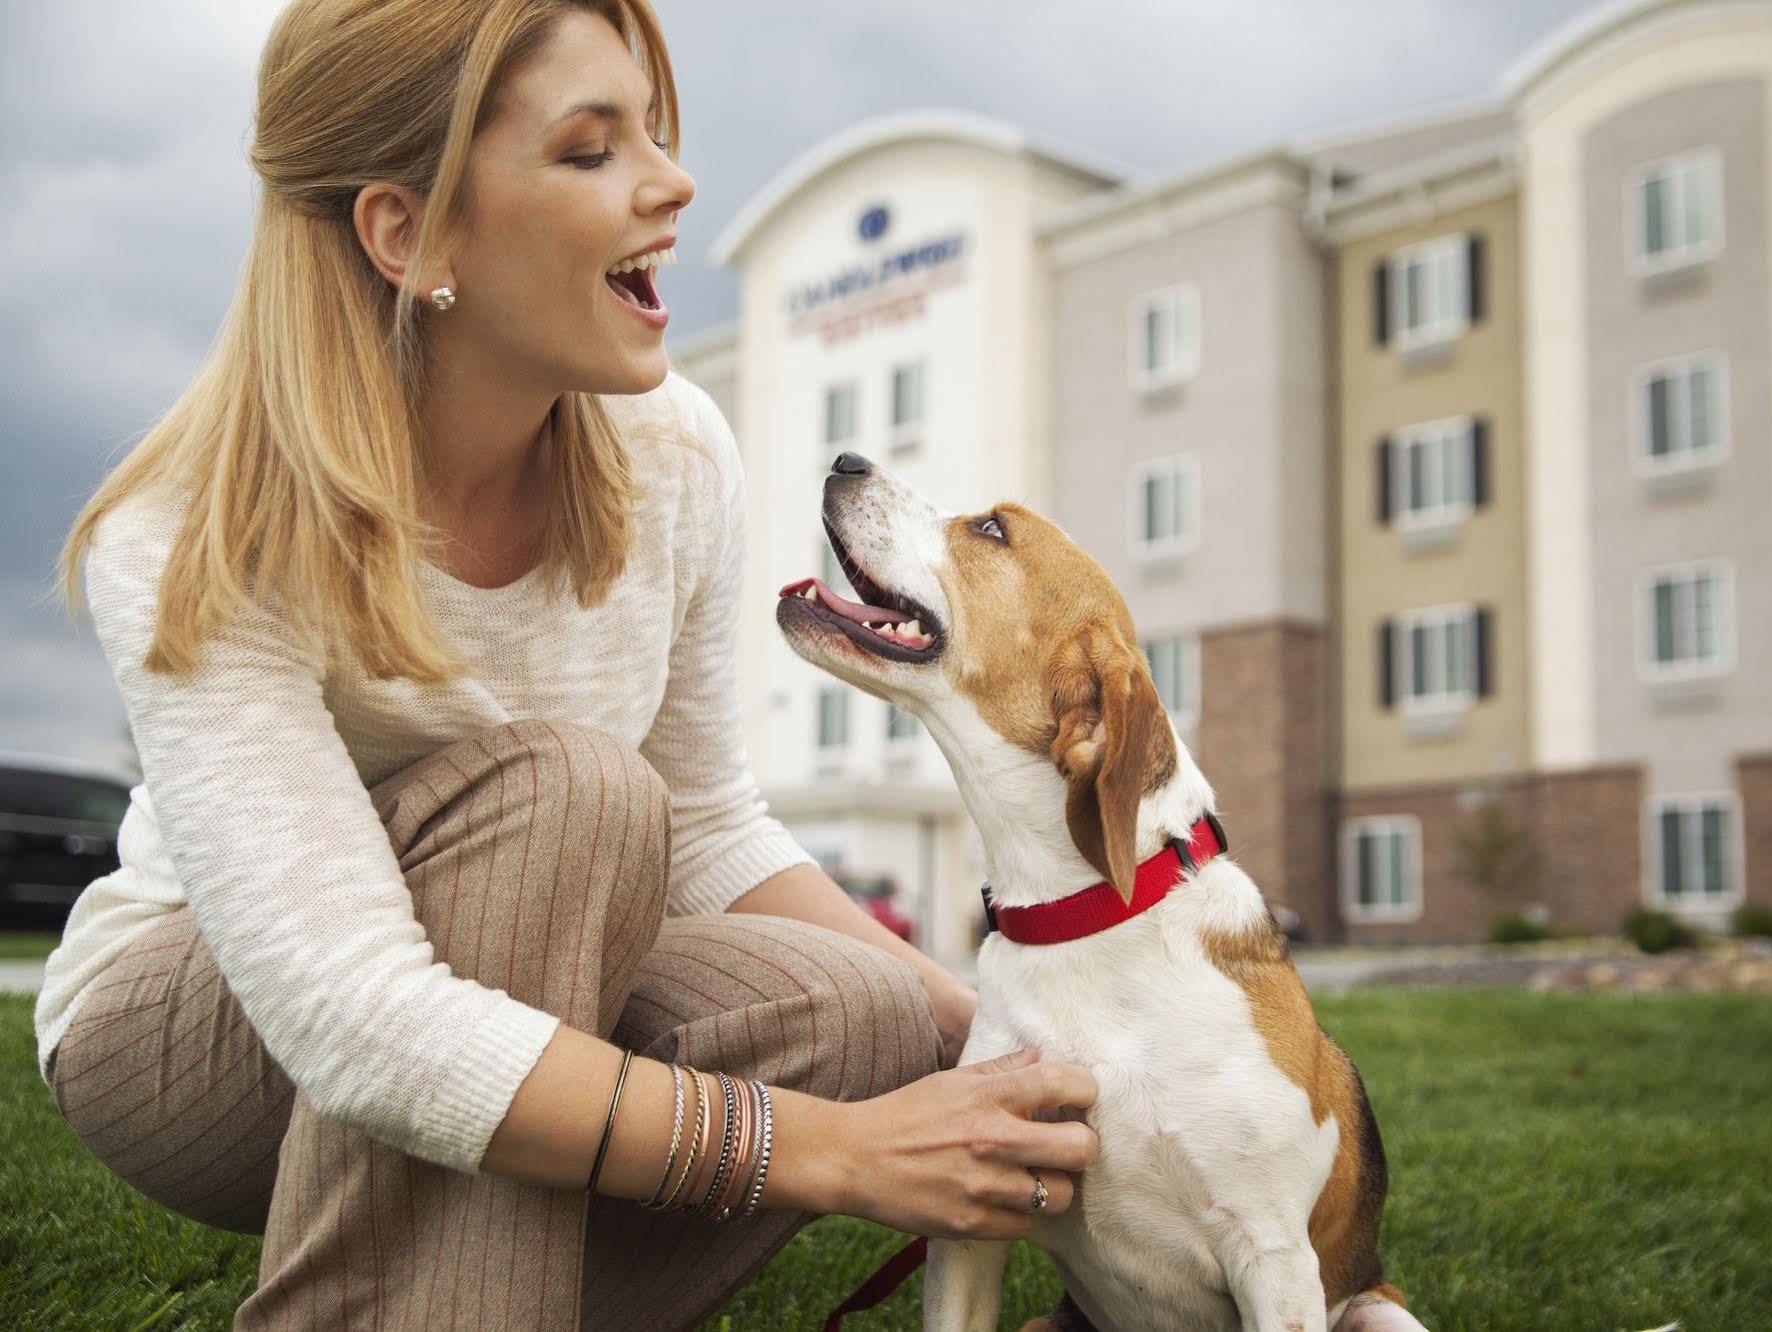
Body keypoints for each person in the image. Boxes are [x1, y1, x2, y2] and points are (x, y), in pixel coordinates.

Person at [32, 2, 1099, 1326]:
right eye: (593, 151)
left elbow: (708, 820)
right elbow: (358, 1017)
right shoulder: (196, 524)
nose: (675, 182)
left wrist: (989, 1026)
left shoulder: (674, 451)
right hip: (208, 1039)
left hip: (526, 968)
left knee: (861, 1009)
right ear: (405, 232)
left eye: (652, 133)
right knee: (570, 797)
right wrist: (825, 1152)